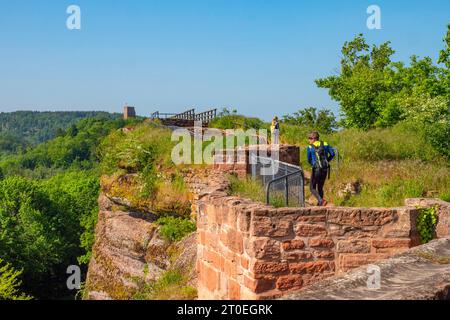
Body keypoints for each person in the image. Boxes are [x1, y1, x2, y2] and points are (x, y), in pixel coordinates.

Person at [307, 131, 335, 206]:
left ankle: (321, 201)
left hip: (316, 169)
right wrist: (327, 161)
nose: (308, 140)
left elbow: (309, 159)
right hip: (325, 169)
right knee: (320, 187)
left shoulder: (310, 147)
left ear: (314, 139)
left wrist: (313, 164)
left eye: (309, 138)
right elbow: (333, 154)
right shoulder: (325, 144)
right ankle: (320, 205)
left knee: (312, 187)